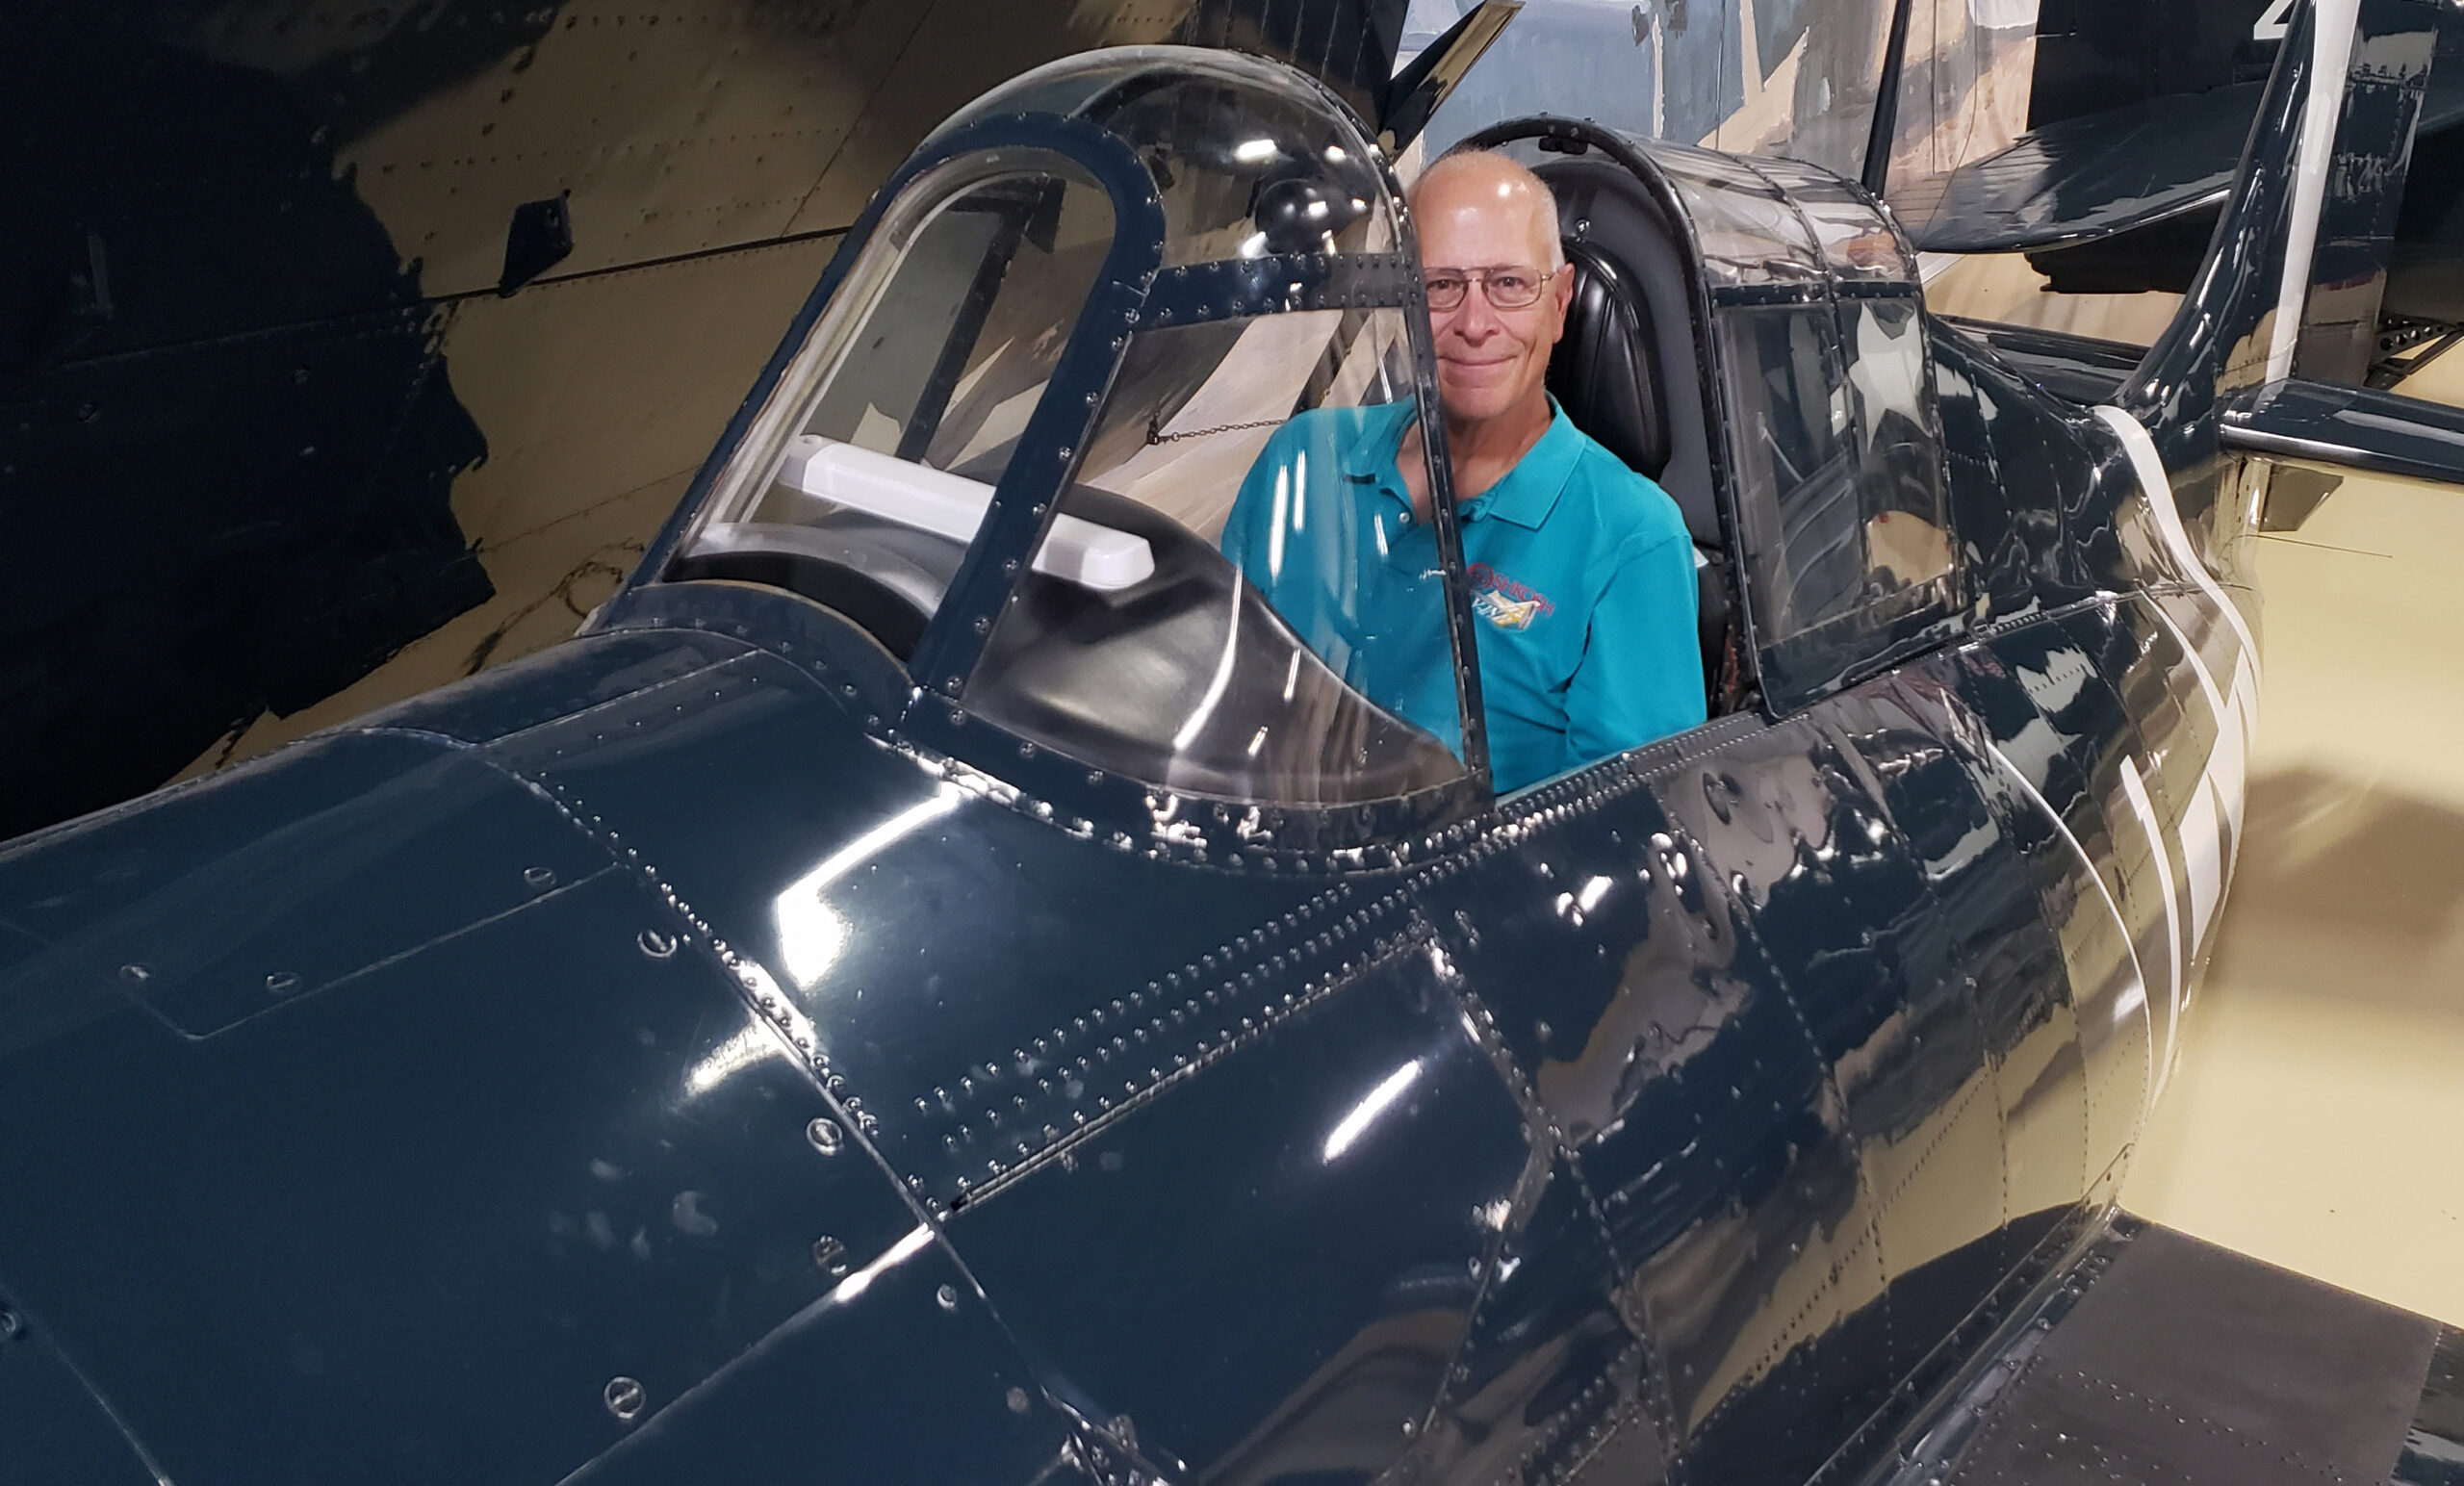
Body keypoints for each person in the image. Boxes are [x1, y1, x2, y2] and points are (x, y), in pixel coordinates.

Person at [1220, 149, 1705, 794]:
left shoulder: (1631, 539)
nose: (1474, 324)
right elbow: (1221, 690)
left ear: (1559, 304)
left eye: (1509, 284)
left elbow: (1626, 828)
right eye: (1440, 285)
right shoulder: (1301, 457)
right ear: (1399, 298)